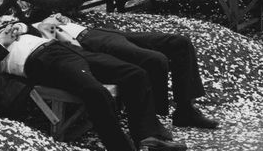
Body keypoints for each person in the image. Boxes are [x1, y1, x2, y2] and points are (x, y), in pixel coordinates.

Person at [0, 22, 187, 151]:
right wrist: (2, 40)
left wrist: (23, 28)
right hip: (44, 61)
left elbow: (36, 31)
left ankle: (148, 137)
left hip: (64, 51)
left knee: (134, 74)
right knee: (95, 91)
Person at [35, 15, 218, 129]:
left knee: (180, 42)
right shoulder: (20, 36)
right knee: (155, 59)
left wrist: (57, 19)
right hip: (89, 42)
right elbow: (50, 47)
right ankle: (152, 122)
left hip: (95, 31)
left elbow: (53, 21)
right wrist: (49, 30)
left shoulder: (22, 24)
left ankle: (185, 109)